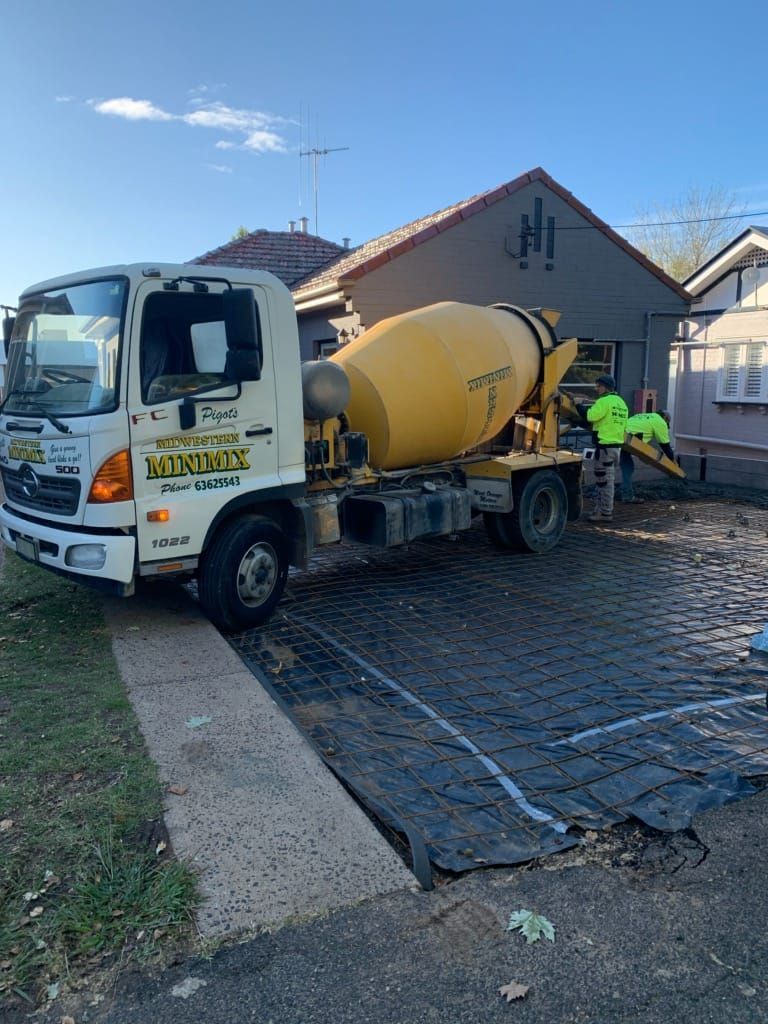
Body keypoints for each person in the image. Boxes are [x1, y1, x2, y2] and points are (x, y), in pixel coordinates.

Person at [578, 374, 628, 523]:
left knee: (603, 482)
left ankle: (605, 513)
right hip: (615, 448)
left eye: (598, 386)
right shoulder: (621, 403)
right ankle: (603, 510)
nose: (596, 388)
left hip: (604, 448)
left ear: (605, 387)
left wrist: (577, 404)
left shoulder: (604, 401)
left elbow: (590, 416)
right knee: (607, 480)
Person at [619, 410, 674, 502]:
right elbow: (665, 446)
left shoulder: (643, 416)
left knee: (626, 467)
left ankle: (623, 493)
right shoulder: (660, 421)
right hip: (630, 438)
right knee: (627, 467)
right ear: (665, 418)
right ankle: (627, 496)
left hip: (621, 435)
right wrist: (672, 461)